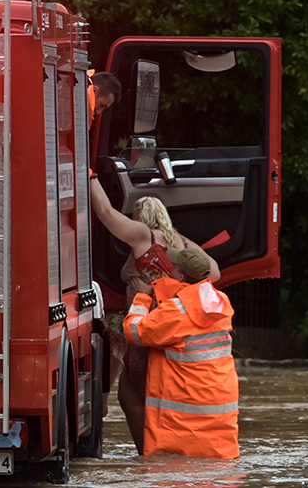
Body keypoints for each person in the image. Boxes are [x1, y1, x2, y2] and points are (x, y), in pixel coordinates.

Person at [89, 176, 219, 454]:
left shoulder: (142, 235)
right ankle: (156, 456)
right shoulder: (181, 242)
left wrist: (89, 176)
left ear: (141, 216)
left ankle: (149, 456)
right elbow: (214, 272)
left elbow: (105, 212)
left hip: (147, 326)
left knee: (130, 386)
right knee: (142, 392)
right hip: (173, 326)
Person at [123, 247, 239, 459]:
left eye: (174, 265)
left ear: (180, 275)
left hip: (183, 415)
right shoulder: (221, 301)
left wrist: (142, 298)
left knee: (172, 469)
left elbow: (135, 332)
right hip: (218, 410)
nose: (171, 267)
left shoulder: (175, 312)